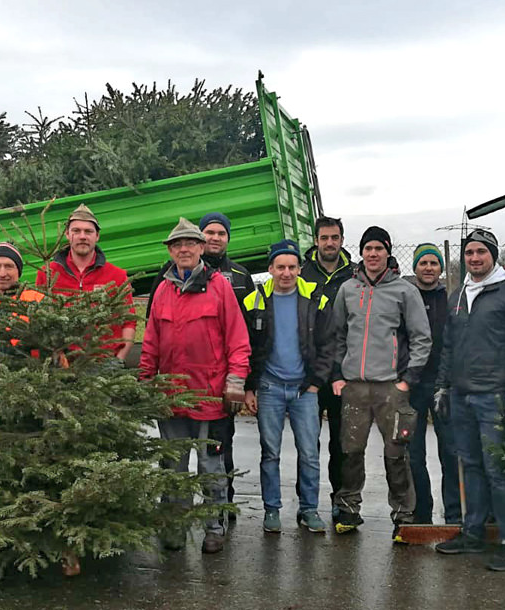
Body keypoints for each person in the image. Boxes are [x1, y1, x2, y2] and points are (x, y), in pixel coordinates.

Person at [140, 218, 250, 555]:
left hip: (210, 398)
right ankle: (174, 527)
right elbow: (151, 343)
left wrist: (235, 383)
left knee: (210, 468)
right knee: (172, 469)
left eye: (190, 243)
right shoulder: (162, 290)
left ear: (201, 248)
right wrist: (146, 385)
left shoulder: (220, 288)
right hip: (171, 399)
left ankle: (214, 527)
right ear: (171, 252)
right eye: (177, 245)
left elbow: (238, 341)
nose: (184, 249)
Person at [433, 229, 505, 572]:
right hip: (462, 396)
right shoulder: (459, 295)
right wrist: (443, 386)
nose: (475, 258)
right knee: (471, 467)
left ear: (492, 255)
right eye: (469, 253)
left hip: (494, 396)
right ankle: (472, 532)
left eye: (481, 252)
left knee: (497, 471)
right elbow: (449, 346)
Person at [328, 226, 432, 541]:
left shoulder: (404, 291)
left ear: (388, 252)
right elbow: (337, 335)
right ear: (361, 252)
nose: (373, 254)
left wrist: (408, 379)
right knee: (351, 450)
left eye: (378, 248)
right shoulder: (347, 289)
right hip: (355, 388)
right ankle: (348, 510)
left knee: (396, 453)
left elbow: (421, 337)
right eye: (367, 248)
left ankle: (403, 516)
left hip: (391, 388)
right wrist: (337, 375)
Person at [242, 239, 334, 534]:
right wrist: (249, 387)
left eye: (292, 267)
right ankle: (272, 509)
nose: (286, 272)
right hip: (268, 387)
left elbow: (328, 345)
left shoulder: (316, 299)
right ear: (270, 269)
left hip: (303, 390)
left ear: (299, 268)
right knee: (270, 453)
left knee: (309, 452)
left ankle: (309, 509)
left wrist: (316, 383)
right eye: (280, 267)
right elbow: (246, 347)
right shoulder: (253, 302)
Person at [299, 216, 356, 517]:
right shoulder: (302, 273)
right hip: (310, 372)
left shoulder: (354, 274)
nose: (330, 243)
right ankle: (307, 505)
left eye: (335, 237)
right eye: (324, 238)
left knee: (341, 443)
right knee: (308, 445)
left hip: (342, 373)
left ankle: (340, 502)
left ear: (342, 240)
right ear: (316, 240)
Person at [35, 204, 135, 361]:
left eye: (88, 231)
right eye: (76, 231)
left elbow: (129, 322)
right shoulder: (47, 274)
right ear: (67, 235)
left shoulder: (117, 276)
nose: (82, 236)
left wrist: (119, 360)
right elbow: (41, 321)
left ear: (97, 236)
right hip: (63, 365)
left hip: (104, 365)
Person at [404, 243, 457, 525]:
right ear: (415, 268)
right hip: (412, 385)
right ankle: (420, 512)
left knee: (449, 452)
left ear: (440, 268)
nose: (428, 268)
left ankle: (454, 514)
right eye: (423, 263)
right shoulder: (406, 298)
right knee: (413, 456)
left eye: (433, 263)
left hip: (442, 385)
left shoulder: (451, 300)